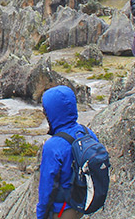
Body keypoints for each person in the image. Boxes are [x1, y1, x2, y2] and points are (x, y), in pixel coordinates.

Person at [37, 85, 99, 219]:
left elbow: (46, 188)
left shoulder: (53, 146)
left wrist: (41, 215)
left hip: (62, 211)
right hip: (82, 205)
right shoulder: (87, 133)